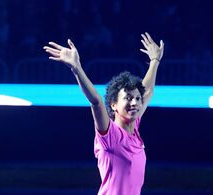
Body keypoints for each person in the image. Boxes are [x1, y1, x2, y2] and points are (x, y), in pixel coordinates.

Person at [43, 32, 164, 195]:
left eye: (137, 98)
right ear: (114, 104)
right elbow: (96, 102)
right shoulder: (111, 135)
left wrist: (155, 60)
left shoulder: (134, 127)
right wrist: (76, 68)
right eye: (128, 98)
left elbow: (147, 91)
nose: (135, 103)